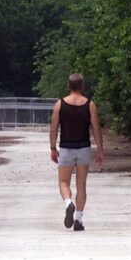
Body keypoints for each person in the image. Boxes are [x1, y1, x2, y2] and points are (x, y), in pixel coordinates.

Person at [49, 73, 104, 231]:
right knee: (81, 184)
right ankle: (78, 220)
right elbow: (96, 128)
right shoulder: (90, 105)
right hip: (83, 149)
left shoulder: (59, 104)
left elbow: (53, 127)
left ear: (69, 86)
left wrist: (53, 148)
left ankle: (68, 203)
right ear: (82, 86)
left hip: (66, 148)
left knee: (63, 182)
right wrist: (100, 149)